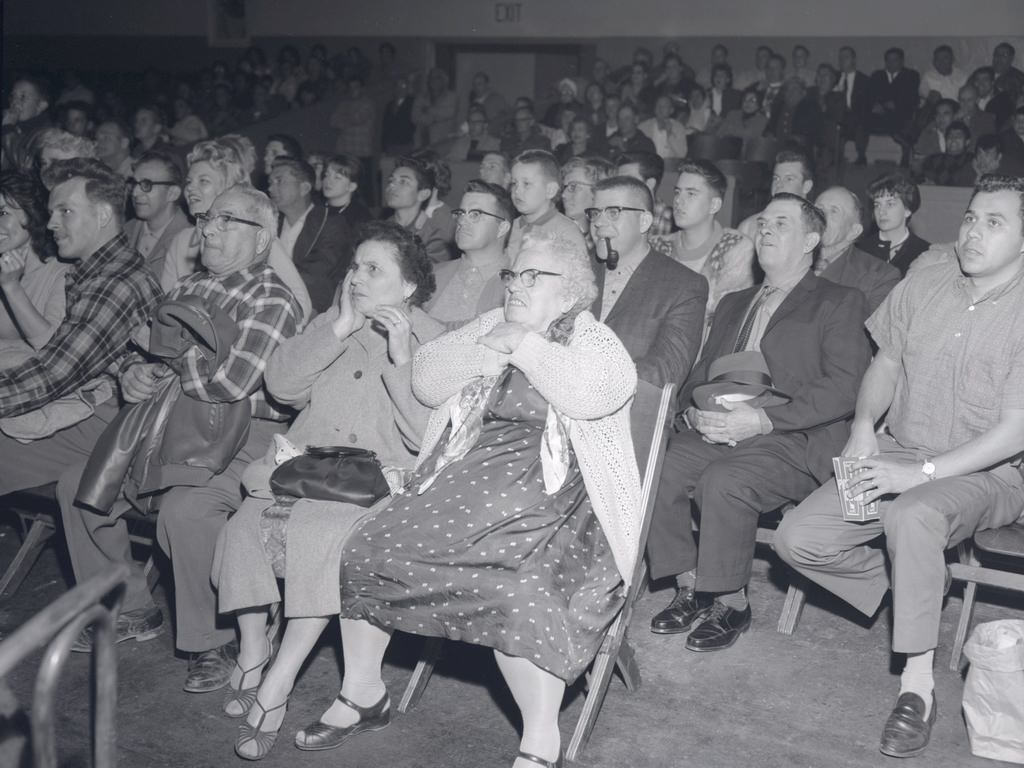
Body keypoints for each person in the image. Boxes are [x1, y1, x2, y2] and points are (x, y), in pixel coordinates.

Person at [278, 231, 643, 768]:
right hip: (463, 484)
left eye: (532, 276)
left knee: (521, 590)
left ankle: (542, 742)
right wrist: (489, 351)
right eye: (513, 274)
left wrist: (524, 344)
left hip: (554, 499)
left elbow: (596, 393)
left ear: (569, 293)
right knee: (369, 544)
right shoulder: (489, 323)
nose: (516, 285)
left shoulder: (593, 340)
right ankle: (362, 692)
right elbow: (426, 380)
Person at [774, 175, 1024, 760]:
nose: (973, 232)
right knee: (797, 539)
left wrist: (921, 476)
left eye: (995, 222)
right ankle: (918, 585)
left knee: (911, 516)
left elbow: (1015, 430)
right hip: (899, 446)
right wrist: (864, 425)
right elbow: (885, 362)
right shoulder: (928, 277)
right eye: (970, 217)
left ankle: (917, 685)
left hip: (989, 471)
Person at [211, 222, 443, 759]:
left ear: (408, 287)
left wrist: (404, 356)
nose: (356, 278)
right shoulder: (334, 322)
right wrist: (337, 326)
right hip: (307, 469)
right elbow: (282, 386)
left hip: (376, 484)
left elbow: (424, 435)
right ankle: (252, 652)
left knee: (318, 535)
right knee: (246, 524)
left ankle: (278, 683)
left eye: (373, 269)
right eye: (354, 266)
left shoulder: (434, 339)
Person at [60, 184, 302, 694]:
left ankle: (215, 641)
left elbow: (228, 385)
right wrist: (132, 374)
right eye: (207, 218)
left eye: (227, 220)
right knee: (79, 490)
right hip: (168, 423)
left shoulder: (272, 297)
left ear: (263, 238)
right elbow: (140, 353)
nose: (209, 228)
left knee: (186, 511)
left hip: (243, 435)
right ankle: (132, 607)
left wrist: (168, 354)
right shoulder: (185, 288)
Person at [646, 193, 871, 650]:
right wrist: (692, 408)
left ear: (811, 240)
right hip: (723, 426)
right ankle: (689, 585)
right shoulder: (734, 301)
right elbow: (701, 369)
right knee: (657, 468)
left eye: (781, 224)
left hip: (791, 435)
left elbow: (846, 387)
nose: (765, 230)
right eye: (763, 222)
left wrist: (764, 421)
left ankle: (730, 602)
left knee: (723, 481)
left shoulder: (838, 301)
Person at [0, 159, 162, 492]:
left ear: (102, 216)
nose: (51, 224)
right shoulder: (92, 275)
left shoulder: (116, 283)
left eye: (65, 212)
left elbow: (54, 373)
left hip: (113, 426)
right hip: (94, 413)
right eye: (52, 212)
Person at [160, 140, 312, 319]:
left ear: (228, 188)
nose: (191, 188)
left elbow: (301, 303)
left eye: (203, 181)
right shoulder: (181, 241)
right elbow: (165, 307)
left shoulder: (253, 237)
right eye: (189, 181)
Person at [589, 176, 708, 388]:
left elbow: (665, 372)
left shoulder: (683, 286)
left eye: (613, 212)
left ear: (644, 221)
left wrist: (583, 383)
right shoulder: (576, 268)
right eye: (595, 213)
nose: (598, 222)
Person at [649, 159, 755, 330]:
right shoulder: (657, 246)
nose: (678, 201)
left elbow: (724, 317)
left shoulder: (734, 246)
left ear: (714, 205)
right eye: (677, 192)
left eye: (691, 194)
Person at [268, 157, 355, 314]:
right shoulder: (271, 222)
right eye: (271, 182)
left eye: (279, 181)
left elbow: (317, 274)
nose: (271, 189)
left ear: (304, 188)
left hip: (314, 308)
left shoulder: (331, 223)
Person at [426, 180, 513, 327]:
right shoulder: (433, 274)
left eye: (475, 214)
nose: (462, 221)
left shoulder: (514, 284)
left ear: (502, 228)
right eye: (461, 213)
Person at [0, 171, 67, 363]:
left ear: (32, 214)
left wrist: (12, 287)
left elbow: (53, 350)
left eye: (2, 213)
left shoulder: (61, 273)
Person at [813, 186, 901, 312]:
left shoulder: (880, 276)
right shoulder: (784, 258)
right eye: (818, 208)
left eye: (834, 211)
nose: (820, 215)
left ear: (853, 232)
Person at [505, 150, 584, 260]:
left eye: (526, 184)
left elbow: (579, 274)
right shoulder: (508, 227)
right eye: (514, 183)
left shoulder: (566, 232)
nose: (517, 191)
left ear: (550, 190)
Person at [124, 149, 190, 279]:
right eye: (134, 183)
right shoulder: (125, 231)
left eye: (146, 185)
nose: (135, 192)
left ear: (172, 193)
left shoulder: (189, 242)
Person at [857, 173, 931, 276]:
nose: (881, 211)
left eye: (890, 204)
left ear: (907, 210)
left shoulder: (926, 252)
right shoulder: (860, 250)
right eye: (877, 205)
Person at [385, 155, 455, 263]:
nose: (392, 185)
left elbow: (431, 275)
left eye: (403, 182)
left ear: (423, 194)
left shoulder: (434, 237)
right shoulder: (383, 228)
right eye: (391, 180)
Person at [737, 148, 815, 239]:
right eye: (776, 178)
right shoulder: (749, 227)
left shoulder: (816, 227)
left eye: (789, 179)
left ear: (806, 186)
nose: (779, 185)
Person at [559, 156, 615, 244]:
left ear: (598, 190)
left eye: (573, 187)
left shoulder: (613, 240)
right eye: (564, 187)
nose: (563, 195)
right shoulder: (556, 234)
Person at [2, 76, 52, 173]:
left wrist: (7, 128)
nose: (14, 102)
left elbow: (25, 165)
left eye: (22, 97)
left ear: (41, 106)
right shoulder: (15, 127)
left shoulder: (47, 134)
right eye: (13, 96)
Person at [616, 152, 674, 236]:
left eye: (628, 180)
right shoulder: (615, 214)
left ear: (650, 184)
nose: (618, 186)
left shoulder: (670, 220)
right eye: (618, 180)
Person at [330, 77, 375, 183]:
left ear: (362, 88)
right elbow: (333, 122)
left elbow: (357, 118)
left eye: (356, 87)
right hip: (345, 151)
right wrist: (347, 119)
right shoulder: (343, 103)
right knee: (347, 183)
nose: (353, 90)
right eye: (350, 88)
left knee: (364, 185)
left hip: (362, 152)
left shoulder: (368, 103)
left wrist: (344, 118)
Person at [835, 46, 871, 165]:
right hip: (838, 115)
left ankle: (861, 157)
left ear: (854, 60)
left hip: (857, 115)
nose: (842, 61)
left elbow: (866, 104)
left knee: (861, 122)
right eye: (840, 58)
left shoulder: (864, 80)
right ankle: (836, 156)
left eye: (846, 57)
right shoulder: (834, 78)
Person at [321, 154, 372, 230]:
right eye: (327, 175)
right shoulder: (315, 208)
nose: (328, 181)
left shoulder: (361, 218)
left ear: (351, 186)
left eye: (337, 177)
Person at [413, 68, 459, 147]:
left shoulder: (452, 96)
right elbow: (414, 117)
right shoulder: (421, 97)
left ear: (444, 80)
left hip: (443, 143)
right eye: (431, 77)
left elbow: (449, 113)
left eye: (437, 77)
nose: (433, 80)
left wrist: (428, 109)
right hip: (422, 142)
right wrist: (434, 118)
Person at [920, 122, 975, 186]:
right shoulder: (932, 160)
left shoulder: (972, 160)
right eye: (950, 135)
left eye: (958, 136)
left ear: (967, 142)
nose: (953, 139)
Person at [639, 95, 689, 162]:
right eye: (658, 105)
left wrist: (670, 135)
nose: (660, 109)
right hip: (649, 165)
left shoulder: (678, 128)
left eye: (664, 106)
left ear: (671, 110)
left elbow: (682, 154)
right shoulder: (644, 127)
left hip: (670, 167)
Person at [912, 99, 958, 170]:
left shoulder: (961, 134)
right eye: (938, 114)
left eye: (946, 113)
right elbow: (916, 163)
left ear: (954, 116)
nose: (941, 117)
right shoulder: (928, 133)